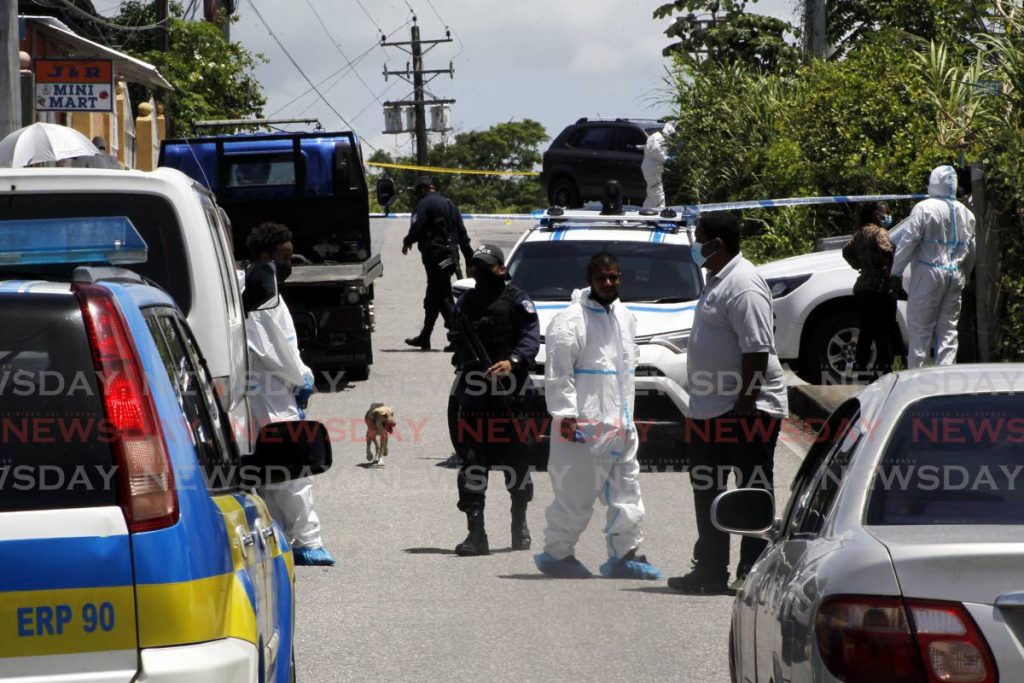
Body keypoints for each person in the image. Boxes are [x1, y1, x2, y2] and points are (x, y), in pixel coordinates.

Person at [668, 211, 788, 594]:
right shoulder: (717, 279)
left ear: (716, 245)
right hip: (711, 409)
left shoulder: (744, 285)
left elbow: (757, 351)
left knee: (750, 491)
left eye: (698, 238)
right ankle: (710, 569)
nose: (694, 247)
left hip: (744, 410)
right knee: (708, 489)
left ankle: (751, 571)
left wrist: (745, 404)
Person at [533, 252, 662, 580]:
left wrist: (628, 419)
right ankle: (557, 554)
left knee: (627, 492)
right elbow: (559, 374)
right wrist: (566, 415)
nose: (608, 283)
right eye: (602, 277)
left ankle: (626, 555)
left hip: (621, 426)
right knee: (574, 495)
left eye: (614, 277)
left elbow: (624, 372)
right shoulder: (570, 320)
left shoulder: (625, 317)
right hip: (584, 428)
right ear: (590, 279)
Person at [244, 221, 336, 566]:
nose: (289, 261)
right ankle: (307, 541)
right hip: (274, 392)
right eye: (284, 256)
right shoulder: (262, 291)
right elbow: (274, 349)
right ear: (266, 255)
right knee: (294, 468)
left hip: (262, 391)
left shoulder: (256, 286)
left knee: (271, 469)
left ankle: (279, 536)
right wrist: (302, 378)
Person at [450, 244, 540, 556]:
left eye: (486, 266)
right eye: (475, 266)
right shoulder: (466, 302)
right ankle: (477, 534)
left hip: (511, 396)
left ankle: (519, 522)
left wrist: (512, 362)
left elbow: (531, 338)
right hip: (475, 397)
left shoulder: (517, 299)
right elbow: (455, 336)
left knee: (517, 464)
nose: (479, 271)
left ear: (500, 269)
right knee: (472, 463)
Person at [891, 165, 976, 368]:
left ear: (934, 183)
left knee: (920, 329)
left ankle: (916, 380)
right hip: (955, 275)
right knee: (948, 331)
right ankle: (945, 377)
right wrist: (966, 274)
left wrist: (896, 271)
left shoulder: (924, 208)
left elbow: (909, 241)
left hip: (928, 274)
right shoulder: (966, 213)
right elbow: (971, 250)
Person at [401, 177, 474, 350]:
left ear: (422, 190)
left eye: (417, 193)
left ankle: (459, 337)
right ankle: (425, 337)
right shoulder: (450, 205)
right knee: (434, 295)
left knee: (443, 296)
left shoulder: (423, 205)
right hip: (450, 257)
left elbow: (416, 229)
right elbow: (463, 235)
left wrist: (407, 241)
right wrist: (469, 259)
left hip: (435, 256)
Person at [842, 201, 897, 376]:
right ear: (875, 214)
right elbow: (887, 251)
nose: (887, 215)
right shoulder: (880, 232)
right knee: (884, 332)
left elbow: (846, 251)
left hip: (863, 286)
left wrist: (860, 265)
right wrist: (890, 267)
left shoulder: (859, 234)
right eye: (884, 212)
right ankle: (884, 370)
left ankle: (860, 367)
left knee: (866, 331)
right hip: (881, 287)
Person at [641, 122, 676, 210]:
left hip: (651, 168)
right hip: (652, 169)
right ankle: (660, 214)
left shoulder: (658, 137)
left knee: (652, 193)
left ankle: (645, 212)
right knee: (658, 193)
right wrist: (667, 159)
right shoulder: (657, 138)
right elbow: (656, 151)